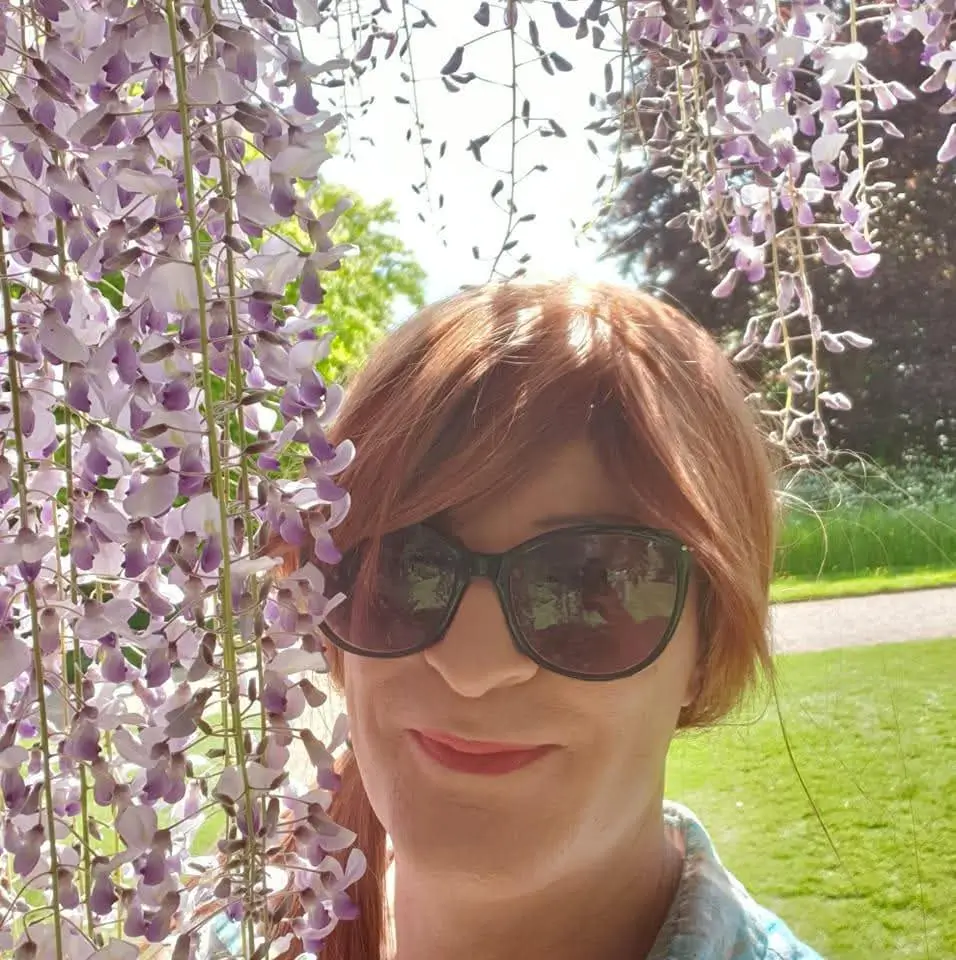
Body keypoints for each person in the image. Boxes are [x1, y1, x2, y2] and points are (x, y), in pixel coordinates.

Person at [210, 280, 824, 960]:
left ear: (706, 645)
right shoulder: (235, 938)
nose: (473, 667)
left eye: (587, 581)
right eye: (401, 567)